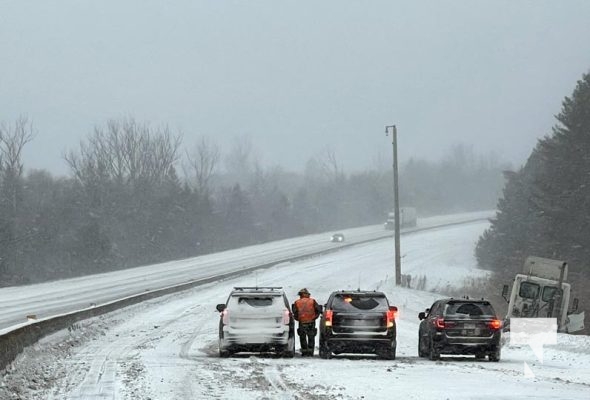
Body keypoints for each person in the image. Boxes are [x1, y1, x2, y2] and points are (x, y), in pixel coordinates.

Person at [292, 288, 322, 357]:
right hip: (311, 322)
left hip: (302, 322)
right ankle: (310, 352)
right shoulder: (312, 301)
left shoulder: (297, 302)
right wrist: (315, 317)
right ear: (307, 294)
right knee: (311, 337)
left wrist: (298, 319)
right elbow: (318, 310)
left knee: (302, 337)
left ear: (301, 295)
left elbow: (295, 312)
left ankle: (304, 352)